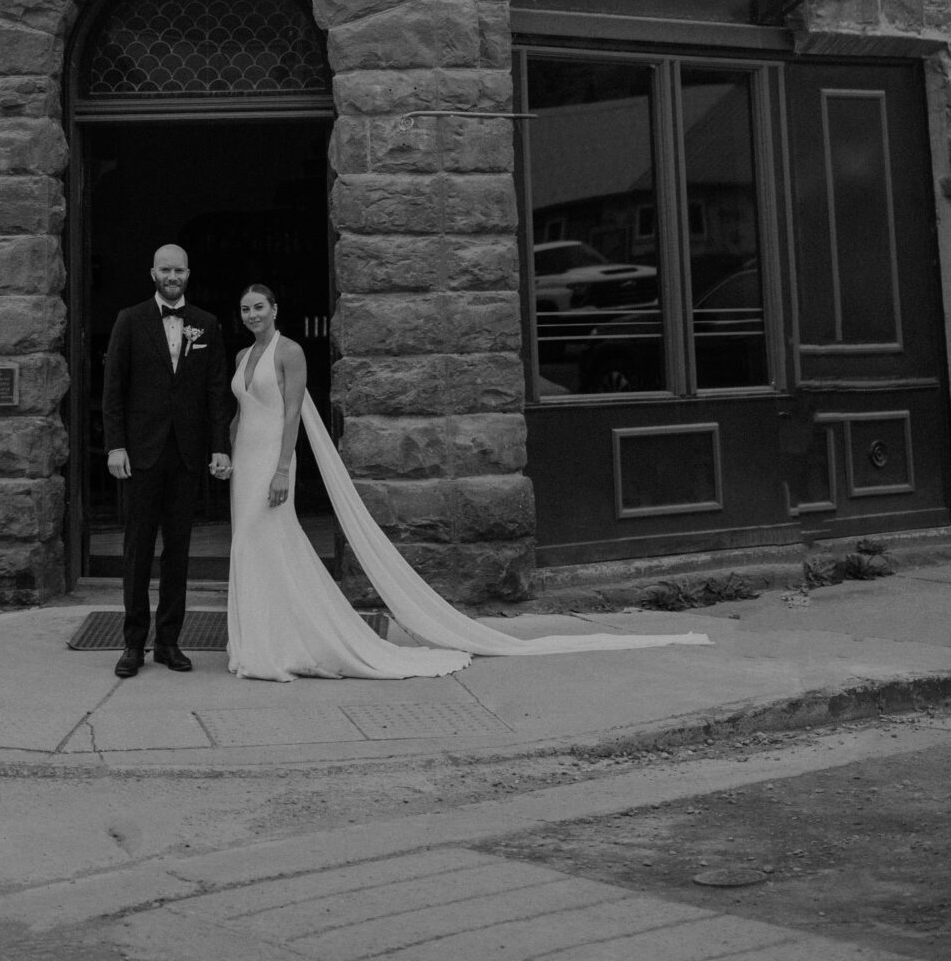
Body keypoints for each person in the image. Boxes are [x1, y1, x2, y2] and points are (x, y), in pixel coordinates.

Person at [228, 282, 710, 682]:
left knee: (271, 541)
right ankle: (257, 642)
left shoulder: (288, 351)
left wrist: (284, 468)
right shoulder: (241, 356)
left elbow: (291, 412)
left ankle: (284, 644)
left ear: (275, 309)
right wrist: (227, 458)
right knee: (251, 546)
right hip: (243, 463)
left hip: (272, 460)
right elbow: (241, 413)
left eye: (259, 307)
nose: (252, 315)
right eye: (246, 309)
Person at [101, 242, 231, 679]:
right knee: (137, 549)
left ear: (188, 274)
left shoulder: (206, 324)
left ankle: (169, 642)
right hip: (141, 453)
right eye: (165, 270)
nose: (172, 277)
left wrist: (219, 446)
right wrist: (116, 445)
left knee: (178, 549)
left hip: (187, 454)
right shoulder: (130, 320)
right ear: (152, 272)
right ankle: (133, 644)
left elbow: (216, 391)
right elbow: (113, 390)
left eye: (179, 270)